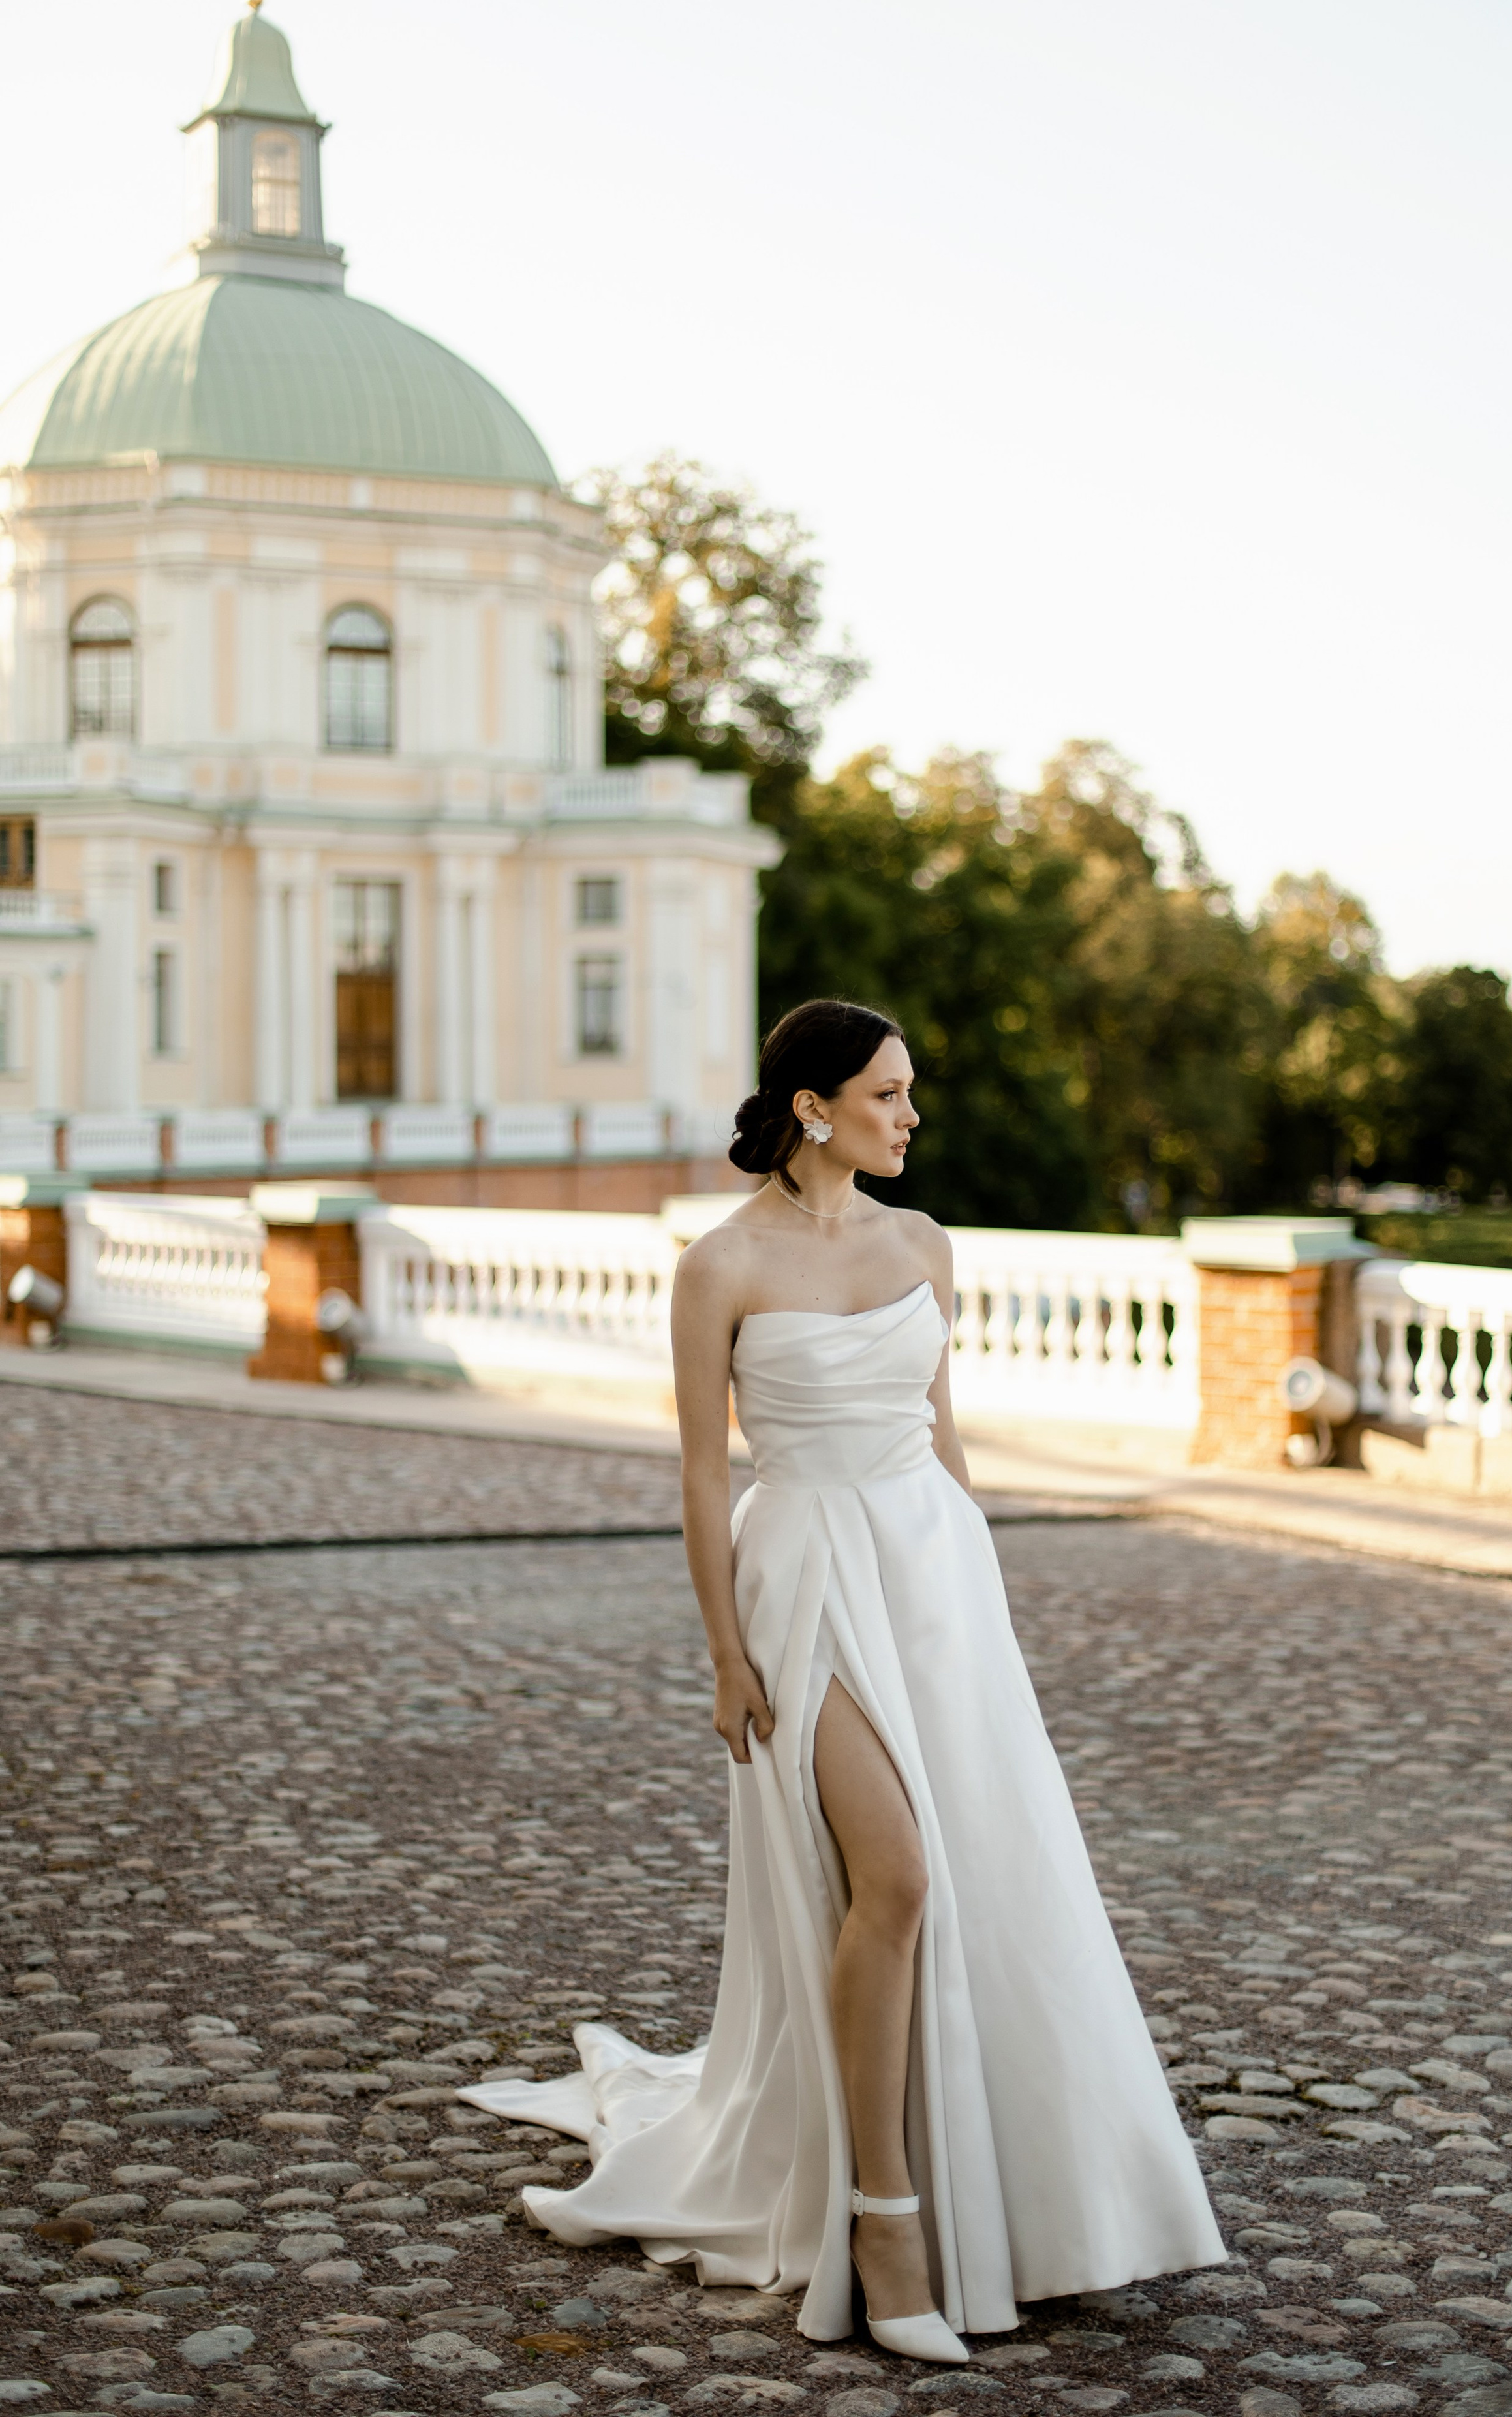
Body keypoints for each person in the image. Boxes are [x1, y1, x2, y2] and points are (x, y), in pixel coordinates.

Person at [462, 999, 1224, 2359]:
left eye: (910, 1091)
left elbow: (943, 1439)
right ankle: (883, 2218)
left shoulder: (924, 1245)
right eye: (887, 1094)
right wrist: (721, 1651)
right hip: (801, 1574)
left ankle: (1006, 2188)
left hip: (932, 1579)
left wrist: (978, 1605)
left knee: (977, 1875)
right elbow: (703, 1475)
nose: (910, 1116)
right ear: (814, 1106)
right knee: (898, 1877)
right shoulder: (718, 1267)